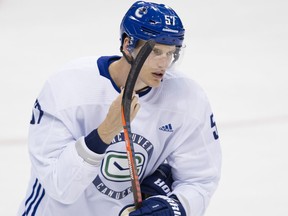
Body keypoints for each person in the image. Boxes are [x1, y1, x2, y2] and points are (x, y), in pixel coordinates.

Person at [18, 1, 221, 216]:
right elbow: (60, 186)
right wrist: (105, 132)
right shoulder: (67, 87)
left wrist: (176, 206)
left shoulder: (187, 98)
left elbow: (200, 178)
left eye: (171, 53)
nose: (164, 62)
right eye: (156, 51)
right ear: (128, 46)